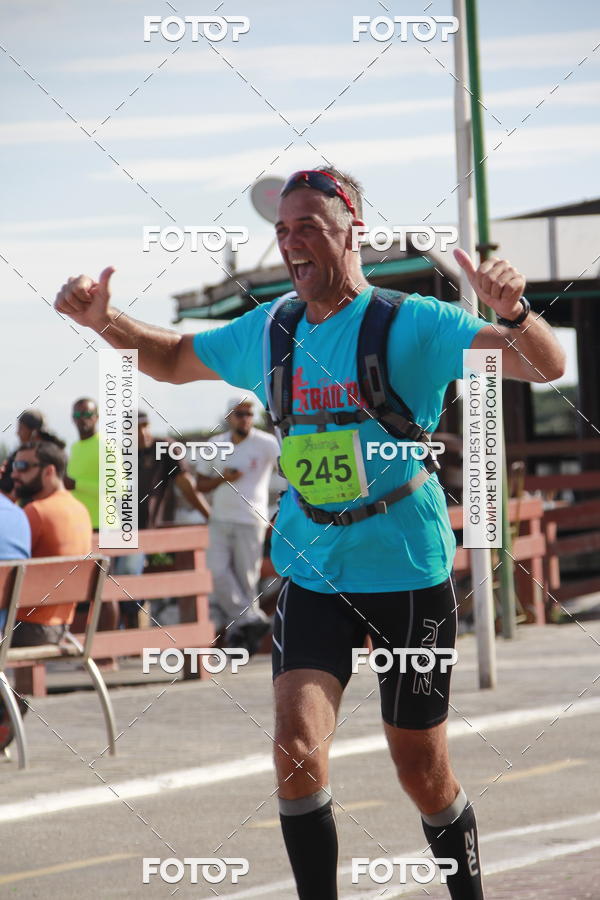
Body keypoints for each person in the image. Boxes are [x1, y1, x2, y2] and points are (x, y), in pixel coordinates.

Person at [54, 165, 566, 900]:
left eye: (309, 226)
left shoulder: (413, 321)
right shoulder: (272, 329)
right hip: (312, 565)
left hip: (408, 572)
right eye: (282, 230)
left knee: (421, 772)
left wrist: (515, 314)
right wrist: (104, 320)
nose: (291, 243)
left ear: (351, 230)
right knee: (296, 752)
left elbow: (543, 367)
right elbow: (169, 358)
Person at [195, 398, 279, 653]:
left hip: (251, 519)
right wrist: (224, 478)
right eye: (240, 414)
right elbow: (200, 484)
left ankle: (241, 638)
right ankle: (252, 620)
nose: (245, 419)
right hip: (220, 519)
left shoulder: (266, 443)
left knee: (246, 581)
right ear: (229, 416)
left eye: (249, 414)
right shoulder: (215, 444)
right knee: (216, 573)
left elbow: (290, 473)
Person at [9, 439, 92, 647]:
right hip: (61, 625)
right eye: (14, 467)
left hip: (25, 626)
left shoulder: (36, 511)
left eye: (23, 467)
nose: (14, 475)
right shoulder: (81, 510)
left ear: (49, 472)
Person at [65, 398, 100, 528]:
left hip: (102, 526)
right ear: (72, 419)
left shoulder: (106, 446)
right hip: (78, 525)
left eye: (87, 414)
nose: (82, 419)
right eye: (77, 415)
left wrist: (76, 484)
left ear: (96, 417)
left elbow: (118, 490)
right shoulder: (75, 447)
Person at [0, 409, 46, 497]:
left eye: (21, 429)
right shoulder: (17, 454)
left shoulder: (43, 458)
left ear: (34, 432)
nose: (17, 433)